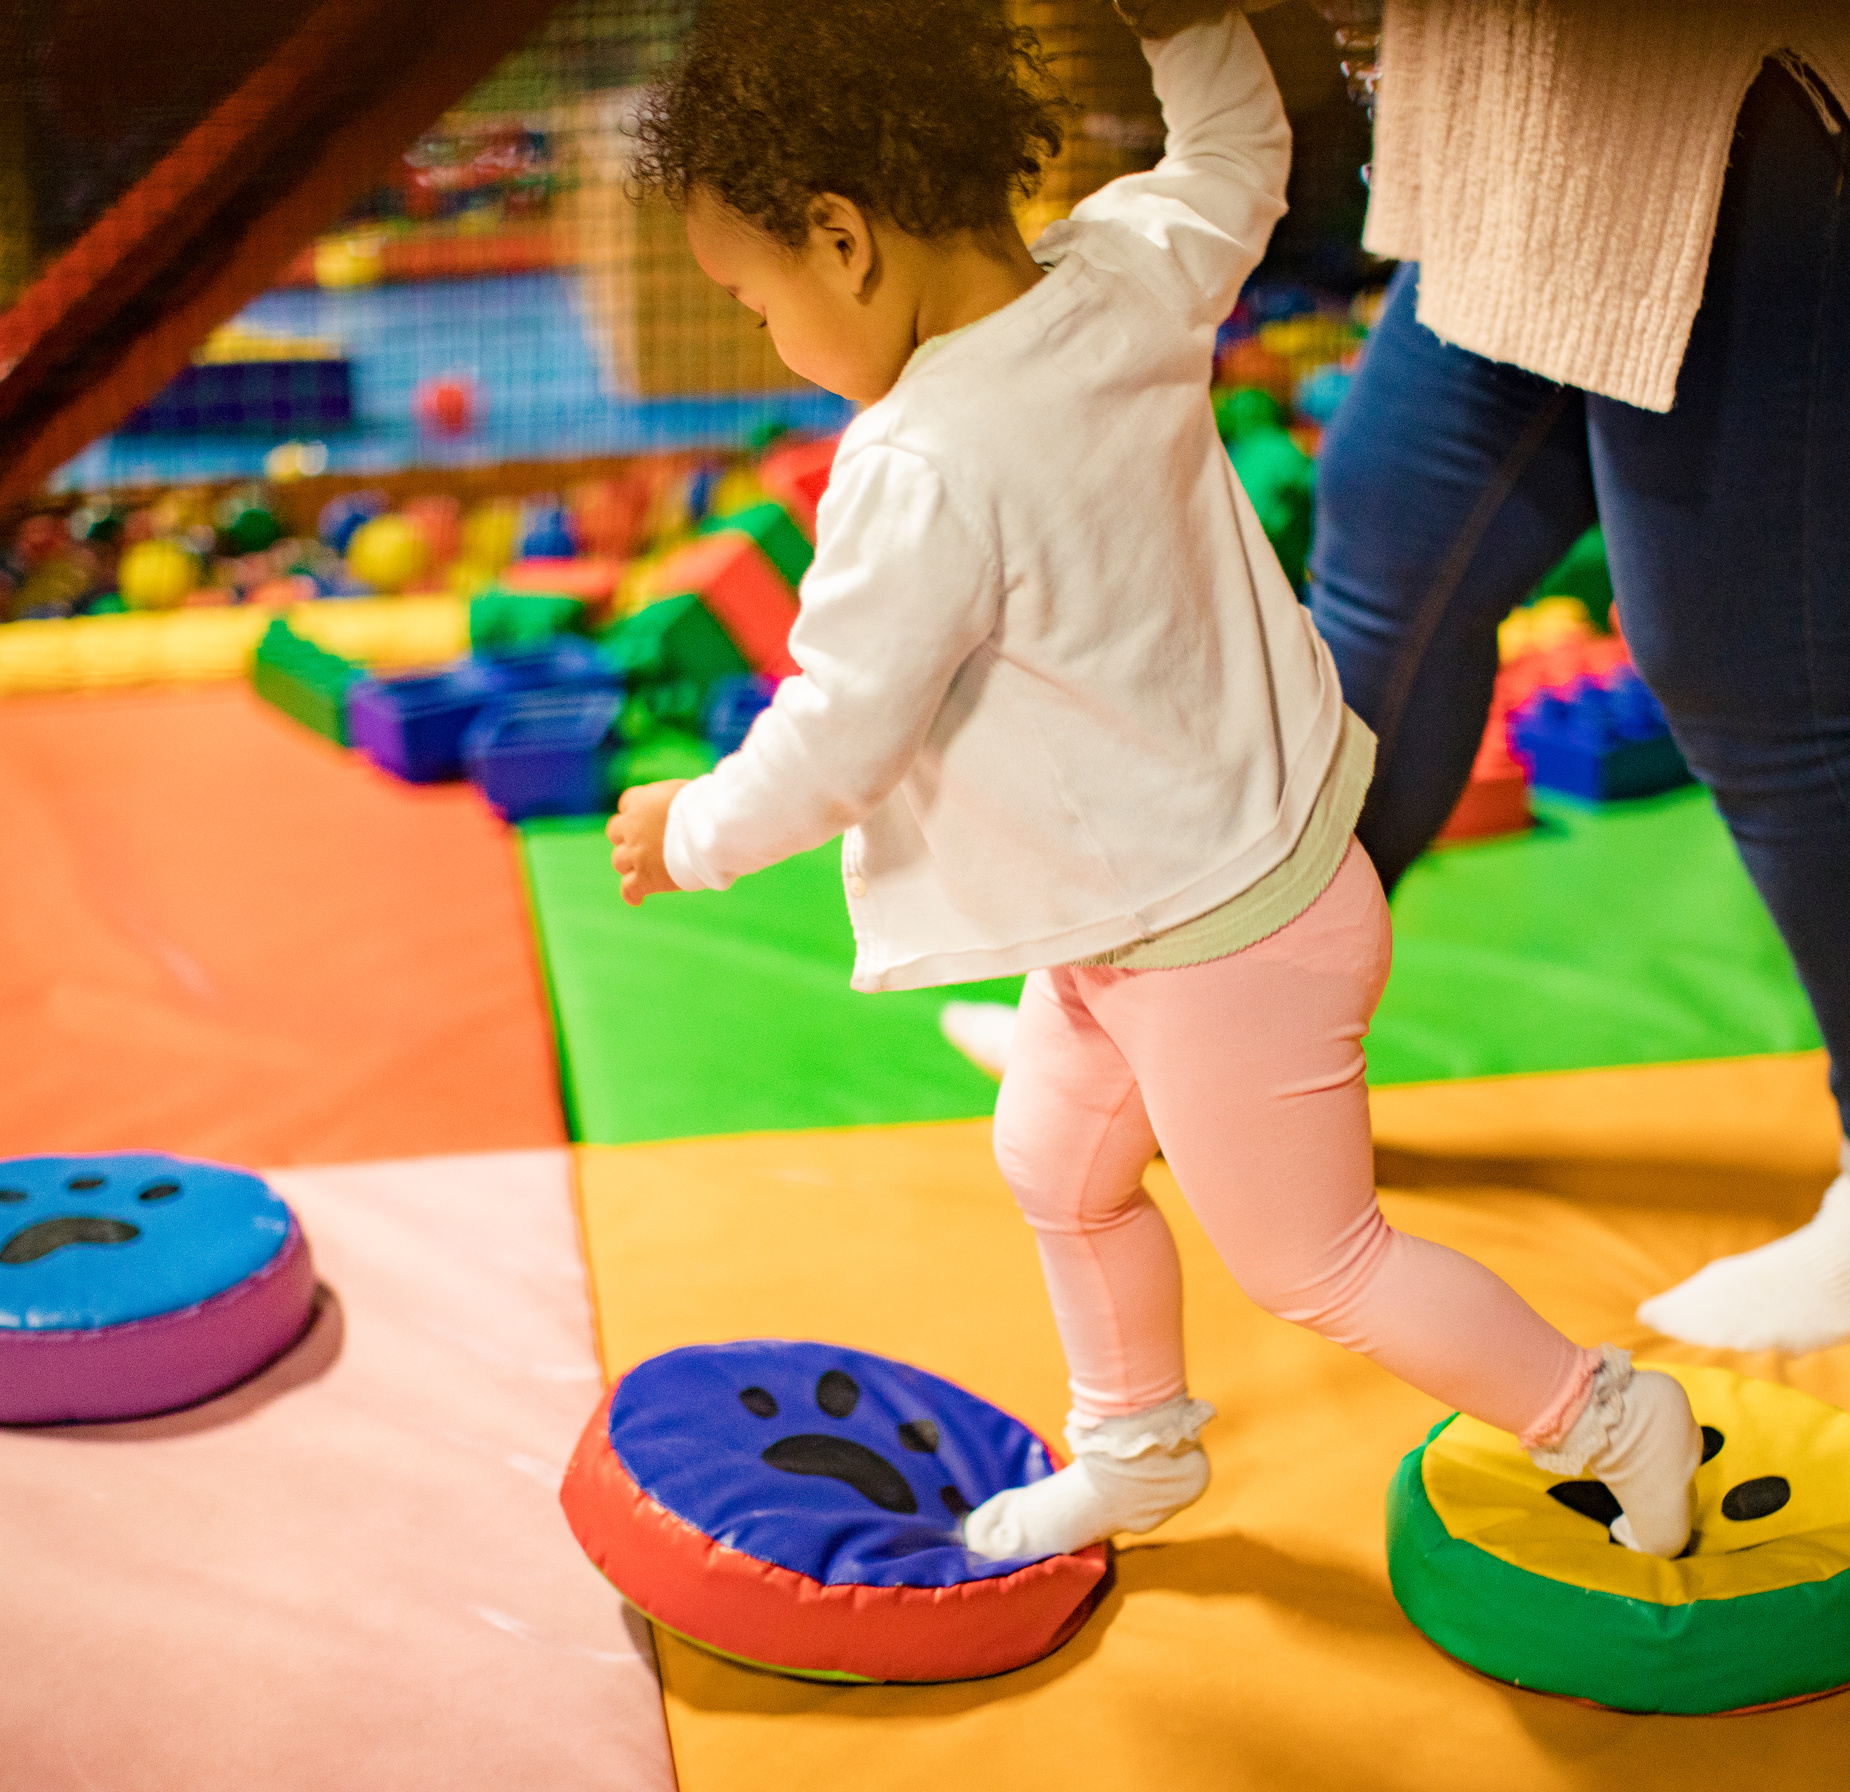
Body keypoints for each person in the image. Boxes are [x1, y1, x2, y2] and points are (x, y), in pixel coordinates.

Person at [606, 0, 1705, 1561]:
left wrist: (689, 828)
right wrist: (1185, 22)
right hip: (1179, 895)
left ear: (842, 240)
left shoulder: (918, 469)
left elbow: (837, 735)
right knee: (1054, 1161)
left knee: (1317, 1262)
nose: (764, 341)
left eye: (753, 299)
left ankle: (1600, 1413)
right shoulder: (1125, 270)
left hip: (1219, 940)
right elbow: (1239, 152)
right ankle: (1136, 1447)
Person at [1306, 2, 1850, 1354]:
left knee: (1766, 679)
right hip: (1557, 106)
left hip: (1789, 92)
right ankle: (1247, 1042)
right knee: (1391, 548)